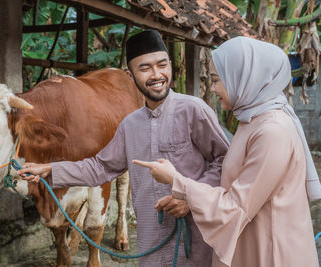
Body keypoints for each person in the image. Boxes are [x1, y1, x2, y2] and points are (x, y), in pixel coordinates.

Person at [18, 29, 229, 266]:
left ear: (170, 65)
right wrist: (50, 170)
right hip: (150, 242)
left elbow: (225, 161)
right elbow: (100, 167)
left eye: (162, 65)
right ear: (131, 75)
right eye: (145, 68)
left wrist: (192, 197)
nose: (157, 74)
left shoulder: (194, 110)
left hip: (195, 239)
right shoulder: (130, 124)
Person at [133, 36, 321, 267]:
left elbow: (235, 207)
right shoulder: (251, 121)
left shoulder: (272, 131)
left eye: (215, 80)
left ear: (242, 79)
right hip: (252, 243)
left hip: (271, 253)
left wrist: (177, 181)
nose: (212, 88)